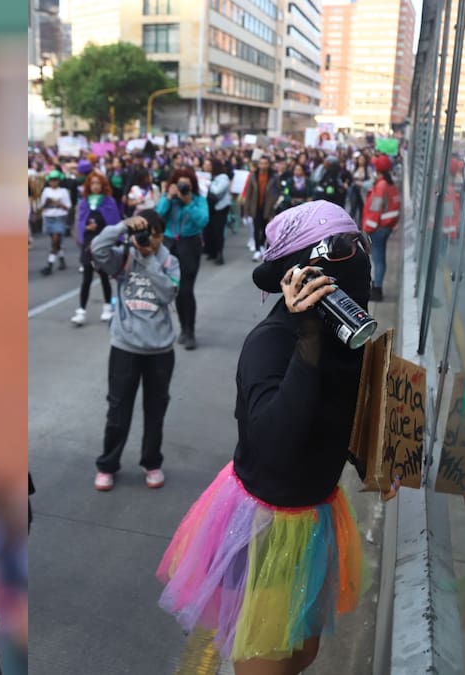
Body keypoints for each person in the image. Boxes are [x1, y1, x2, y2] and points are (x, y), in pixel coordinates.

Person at [157, 201, 369, 674]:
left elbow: (343, 422)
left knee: (302, 655)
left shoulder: (348, 339)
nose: (358, 257)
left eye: (360, 243)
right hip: (267, 529)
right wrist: (307, 339)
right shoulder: (272, 342)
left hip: (316, 517)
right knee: (265, 665)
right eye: (339, 248)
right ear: (299, 273)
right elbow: (274, 444)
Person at [90, 210, 180, 492]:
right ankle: (107, 465)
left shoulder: (169, 260)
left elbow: (168, 293)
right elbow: (97, 249)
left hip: (160, 350)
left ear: (161, 235)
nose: (147, 239)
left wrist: (150, 259)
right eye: (142, 232)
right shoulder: (124, 257)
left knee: (155, 410)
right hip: (125, 346)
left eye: (153, 233)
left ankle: (151, 462)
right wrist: (121, 226)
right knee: (117, 410)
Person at [157, 167, 210, 350]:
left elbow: (203, 221)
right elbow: (158, 216)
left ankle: (191, 331)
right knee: (176, 290)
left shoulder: (198, 200)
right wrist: (168, 198)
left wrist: (188, 203)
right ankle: (182, 327)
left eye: (186, 183)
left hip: (190, 245)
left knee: (187, 289)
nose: (182, 186)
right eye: (179, 182)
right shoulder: (169, 199)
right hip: (170, 245)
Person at [361, 154, 401, 301]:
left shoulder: (381, 185)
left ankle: (377, 289)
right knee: (380, 258)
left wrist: (367, 228)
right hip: (386, 226)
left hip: (377, 228)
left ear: (378, 169)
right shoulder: (391, 184)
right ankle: (377, 285)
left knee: (378, 259)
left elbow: (374, 210)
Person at [72, 210, 115, 325]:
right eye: (92, 189)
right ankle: (81, 310)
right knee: (86, 280)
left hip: (102, 247)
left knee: (104, 278)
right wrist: (86, 229)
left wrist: (99, 230)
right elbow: (79, 226)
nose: (95, 189)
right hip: (87, 247)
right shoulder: (85, 205)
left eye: (98, 189)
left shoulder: (108, 204)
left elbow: (112, 225)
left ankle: (107, 307)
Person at [242, 157, 280, 263]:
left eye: (265, 163)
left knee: (265, 228)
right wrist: (246, 209)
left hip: (268, 206)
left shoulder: (274, 177)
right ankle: (257, 248)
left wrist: (273, 203)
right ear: (258, 164)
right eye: (261, 163)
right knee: (256, 227)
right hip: (255, 206)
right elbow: (249, 193)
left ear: (268, 164)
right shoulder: (253, 176)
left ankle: (262, 245)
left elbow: (277, 191)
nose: (263, 165)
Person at [40, 169, 72, 275]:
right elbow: (42, 207)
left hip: (59, 218)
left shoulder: (63, 191)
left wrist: (60, 204)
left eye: (55, 180)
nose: (53, 182)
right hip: (48, 218)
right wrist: (47, 202)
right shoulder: (46, 191)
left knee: (55, 239)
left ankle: (50, 263)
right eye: (51, 180)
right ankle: (61, 258)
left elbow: (68, 207)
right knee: (56, 241)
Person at [205, 159, 234, 266]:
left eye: (209, 165)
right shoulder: (208, 176)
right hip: (210, 207)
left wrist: (208, 184)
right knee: (210, 230)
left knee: (218, 231)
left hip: (220, 208)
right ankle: (212, 251)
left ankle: (219, 254)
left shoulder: (223, 178)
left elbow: (217, 191)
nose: (206, 167)